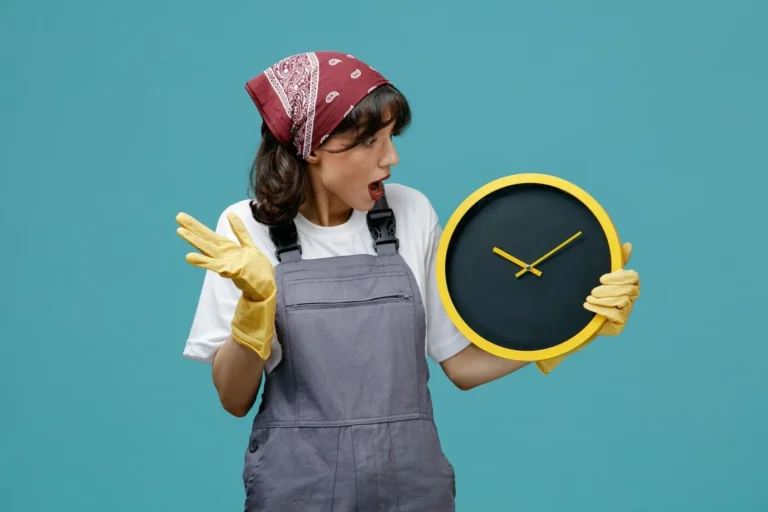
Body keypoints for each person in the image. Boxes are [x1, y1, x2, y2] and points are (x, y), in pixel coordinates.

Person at [175, 50, 640, 511]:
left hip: (411, 490)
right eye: (370, 141)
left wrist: (574, 326)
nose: (391, 157)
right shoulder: (244, 228)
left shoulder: (410, 212)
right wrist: (255, 305)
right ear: (313, 145)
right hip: (297, 491)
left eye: (393, 136)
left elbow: (461, 366)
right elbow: (234, 399)